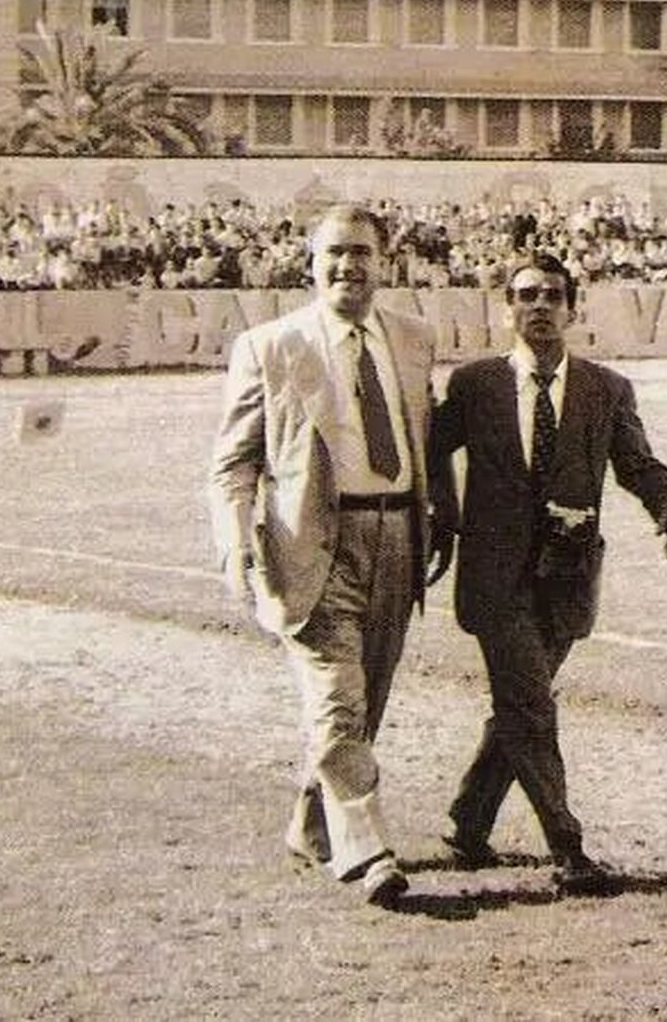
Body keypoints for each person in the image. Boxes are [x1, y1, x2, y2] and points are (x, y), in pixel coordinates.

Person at [207, 203, 452, 909]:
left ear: (385, 261)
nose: (348, 266)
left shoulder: (412, 338)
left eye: (362, 253)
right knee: (339, 703)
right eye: (334, 254)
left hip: (399, 538)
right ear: (310, 263)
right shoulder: (269, 347)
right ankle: (368, 853)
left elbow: (424, 438)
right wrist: (234, 543)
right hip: (313, 544)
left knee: (363, 704)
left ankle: (312, 826)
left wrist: (442, 522)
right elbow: (234, 462)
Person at [429, 252, 667, 896]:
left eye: (552, 295)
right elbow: (430, 453)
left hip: (567, 576)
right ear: (507, 309)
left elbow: (637, 463)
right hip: (495, 578)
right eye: (526, 295)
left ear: (573, 309)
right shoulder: (475, 386)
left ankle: (468, 826)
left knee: (522, 708)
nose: (539, 306)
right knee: (529, 706)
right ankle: (568, 849)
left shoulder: (605, 390)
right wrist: (445, 517)